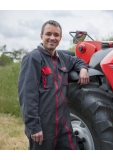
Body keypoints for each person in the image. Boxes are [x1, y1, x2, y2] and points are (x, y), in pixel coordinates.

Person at [18, 20, 89, 150]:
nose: (52, 38)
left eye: (56, 35)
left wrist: (83, 69)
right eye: (48, 34)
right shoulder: (33, 59)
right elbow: (27, 96)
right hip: (43, 124)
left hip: (63, 123)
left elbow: (78, 60)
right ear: (41, 36)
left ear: (60, 38)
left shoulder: (62, 58)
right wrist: (34, 127)